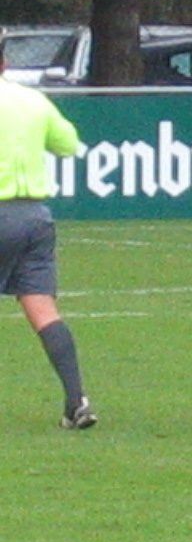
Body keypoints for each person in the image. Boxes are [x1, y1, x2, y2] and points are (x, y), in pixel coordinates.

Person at [0, 56, 97, 429]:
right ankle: (76, 400)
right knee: (43, 311)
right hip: (34, 218)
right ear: (4, 62)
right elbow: (68, 144)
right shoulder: (32, 100)